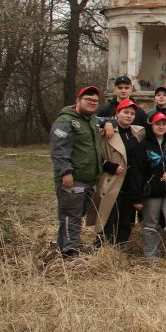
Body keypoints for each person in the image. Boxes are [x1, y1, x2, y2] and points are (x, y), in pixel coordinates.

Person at [49, 86, 105, 258]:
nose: (92, 103)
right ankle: (70, 251)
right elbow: (58, 149)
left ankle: (65, 246)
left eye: (95, 101)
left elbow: (111, 119)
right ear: (78, 101)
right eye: (88, 100)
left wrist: (109, 123)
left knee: (76, 215)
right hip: (72, 178)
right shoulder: (66, 121)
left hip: (88, 179)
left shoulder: (93, 120)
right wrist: (65, 172)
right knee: (69, 215)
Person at [130, 111, 166, 267]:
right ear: (151, 125)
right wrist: (137, 197)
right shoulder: (143, 147)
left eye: (164, 124)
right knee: (150, 224)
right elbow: (137, 172)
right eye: (157, 124)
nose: (161, 126)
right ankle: (151, 258)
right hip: (151, 193)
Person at [96, 98, 145, 246]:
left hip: (131, 181)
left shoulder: (138, 132)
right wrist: (108, 165)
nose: (129, 116)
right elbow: (95, 154)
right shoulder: (105, 132)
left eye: (132, 113)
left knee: (127, 218)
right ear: (117, 113)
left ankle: (120, 247)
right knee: (109, 216)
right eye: (125, 112)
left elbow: (160, 129)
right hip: (113, 179)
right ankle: (104, 247)